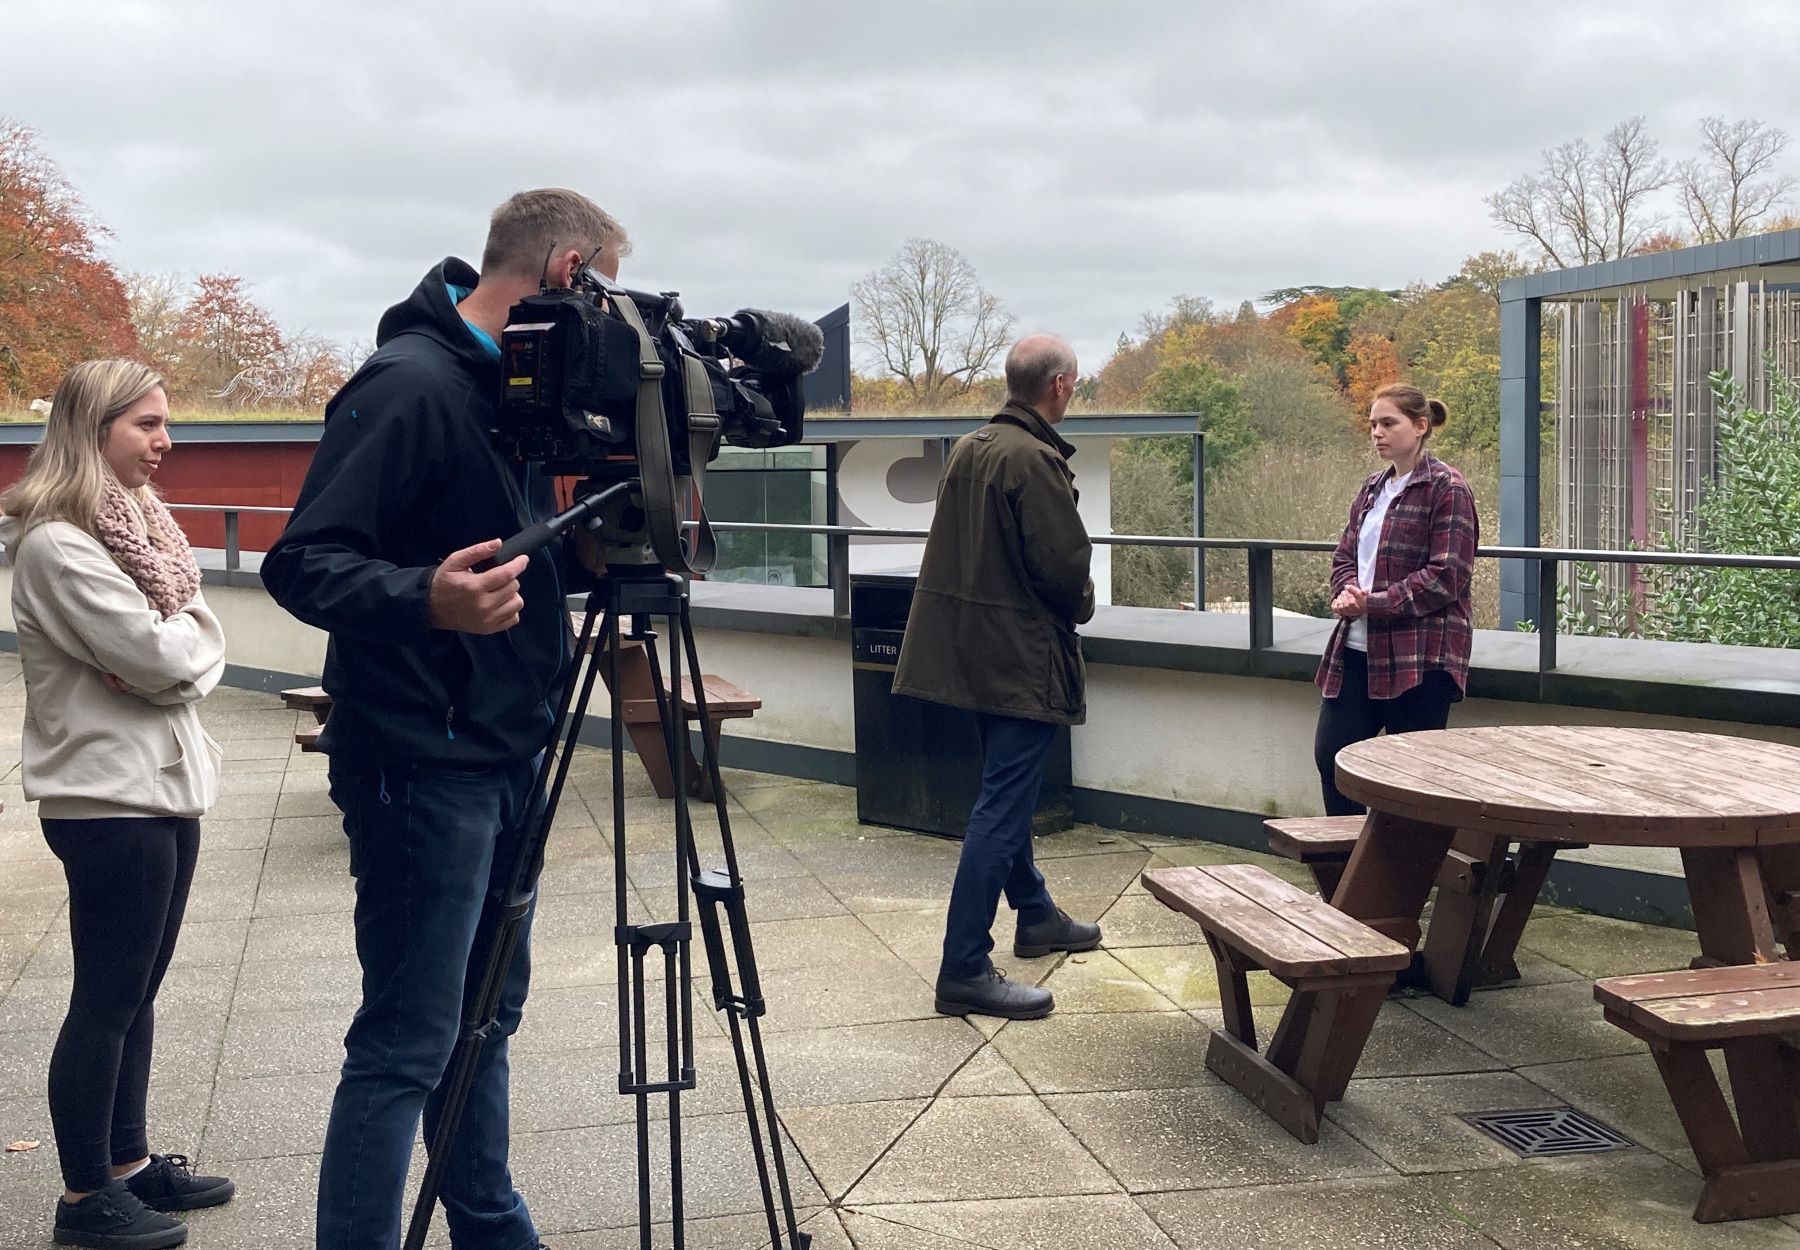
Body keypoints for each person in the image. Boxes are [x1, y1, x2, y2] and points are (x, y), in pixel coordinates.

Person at [260, 189, 629, 1250]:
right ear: (567, 272)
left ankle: (489, 1225)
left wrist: (580, 554)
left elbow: (505, 548)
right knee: (407, 1042)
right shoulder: (411, 384)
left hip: (505, 749)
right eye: (602, 294)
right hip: (423, 763)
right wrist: (427, 596)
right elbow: (303, 560)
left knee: (484, 1026)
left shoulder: (517, 399)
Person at [0, 361, 234, 1249]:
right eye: (146, 424)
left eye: (164, 423)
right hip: (106, 801)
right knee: (105, 998)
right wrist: (181, 648)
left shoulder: (139, 527)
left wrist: (178, 646)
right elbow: (166, 661)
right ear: (92, 429)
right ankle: (83, 1199)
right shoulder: (60, 544)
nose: (165, 442)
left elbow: (173, 651)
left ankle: (130, 1166)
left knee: (138, 993)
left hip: (161, 788)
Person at [892, 333, 1102, 1021]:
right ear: (1060, 385)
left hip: (970, 653)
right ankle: (963, 969)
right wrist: (1082, 607)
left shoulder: (972, 448)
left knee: (999, 795)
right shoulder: (1033, 460)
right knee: (1001, 809)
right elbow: (1065, 568)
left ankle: (1036, 915)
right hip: (1019, 659)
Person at [1313, 383, 1479, 815]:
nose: (1377, 433)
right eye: (1372, 424)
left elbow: (1448, 576)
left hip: (1420, 660)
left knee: (1410, 784)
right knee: (1333, 760)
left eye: (1388, 423)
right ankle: (1343, 881)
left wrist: (1376, 602)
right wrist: (1346, 593)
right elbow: (1345, 554)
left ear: (1420, 426)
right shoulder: (1372, 488)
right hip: (1356, 649)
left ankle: (1400, 882)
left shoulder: (1448, 488)